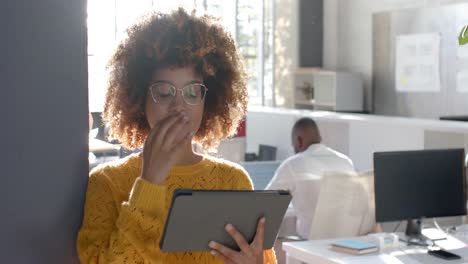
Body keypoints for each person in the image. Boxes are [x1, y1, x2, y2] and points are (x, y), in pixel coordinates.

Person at [77, 8, 276, 264]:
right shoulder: (106, 183)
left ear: (209, 100)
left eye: (192, 92)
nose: (179, 106)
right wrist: (150, 182)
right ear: (139, 99)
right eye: (164, 92)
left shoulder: (233, 181)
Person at [265, 117, 355, 239]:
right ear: (320, 139)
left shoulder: (294, 163)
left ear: (299, 141)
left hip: (310, 245)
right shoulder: (346, 161)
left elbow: (266, 201)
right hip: (347, 242)